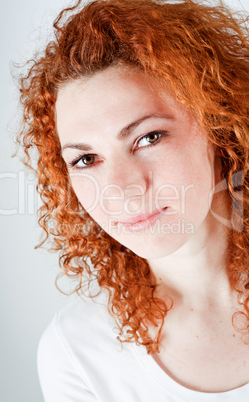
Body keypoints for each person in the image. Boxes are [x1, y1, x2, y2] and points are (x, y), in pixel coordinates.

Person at [15, 0, 249, 400]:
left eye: (148, 137)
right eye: (86, 159)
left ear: (220, 125)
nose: (121, 188)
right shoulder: (76, 355)